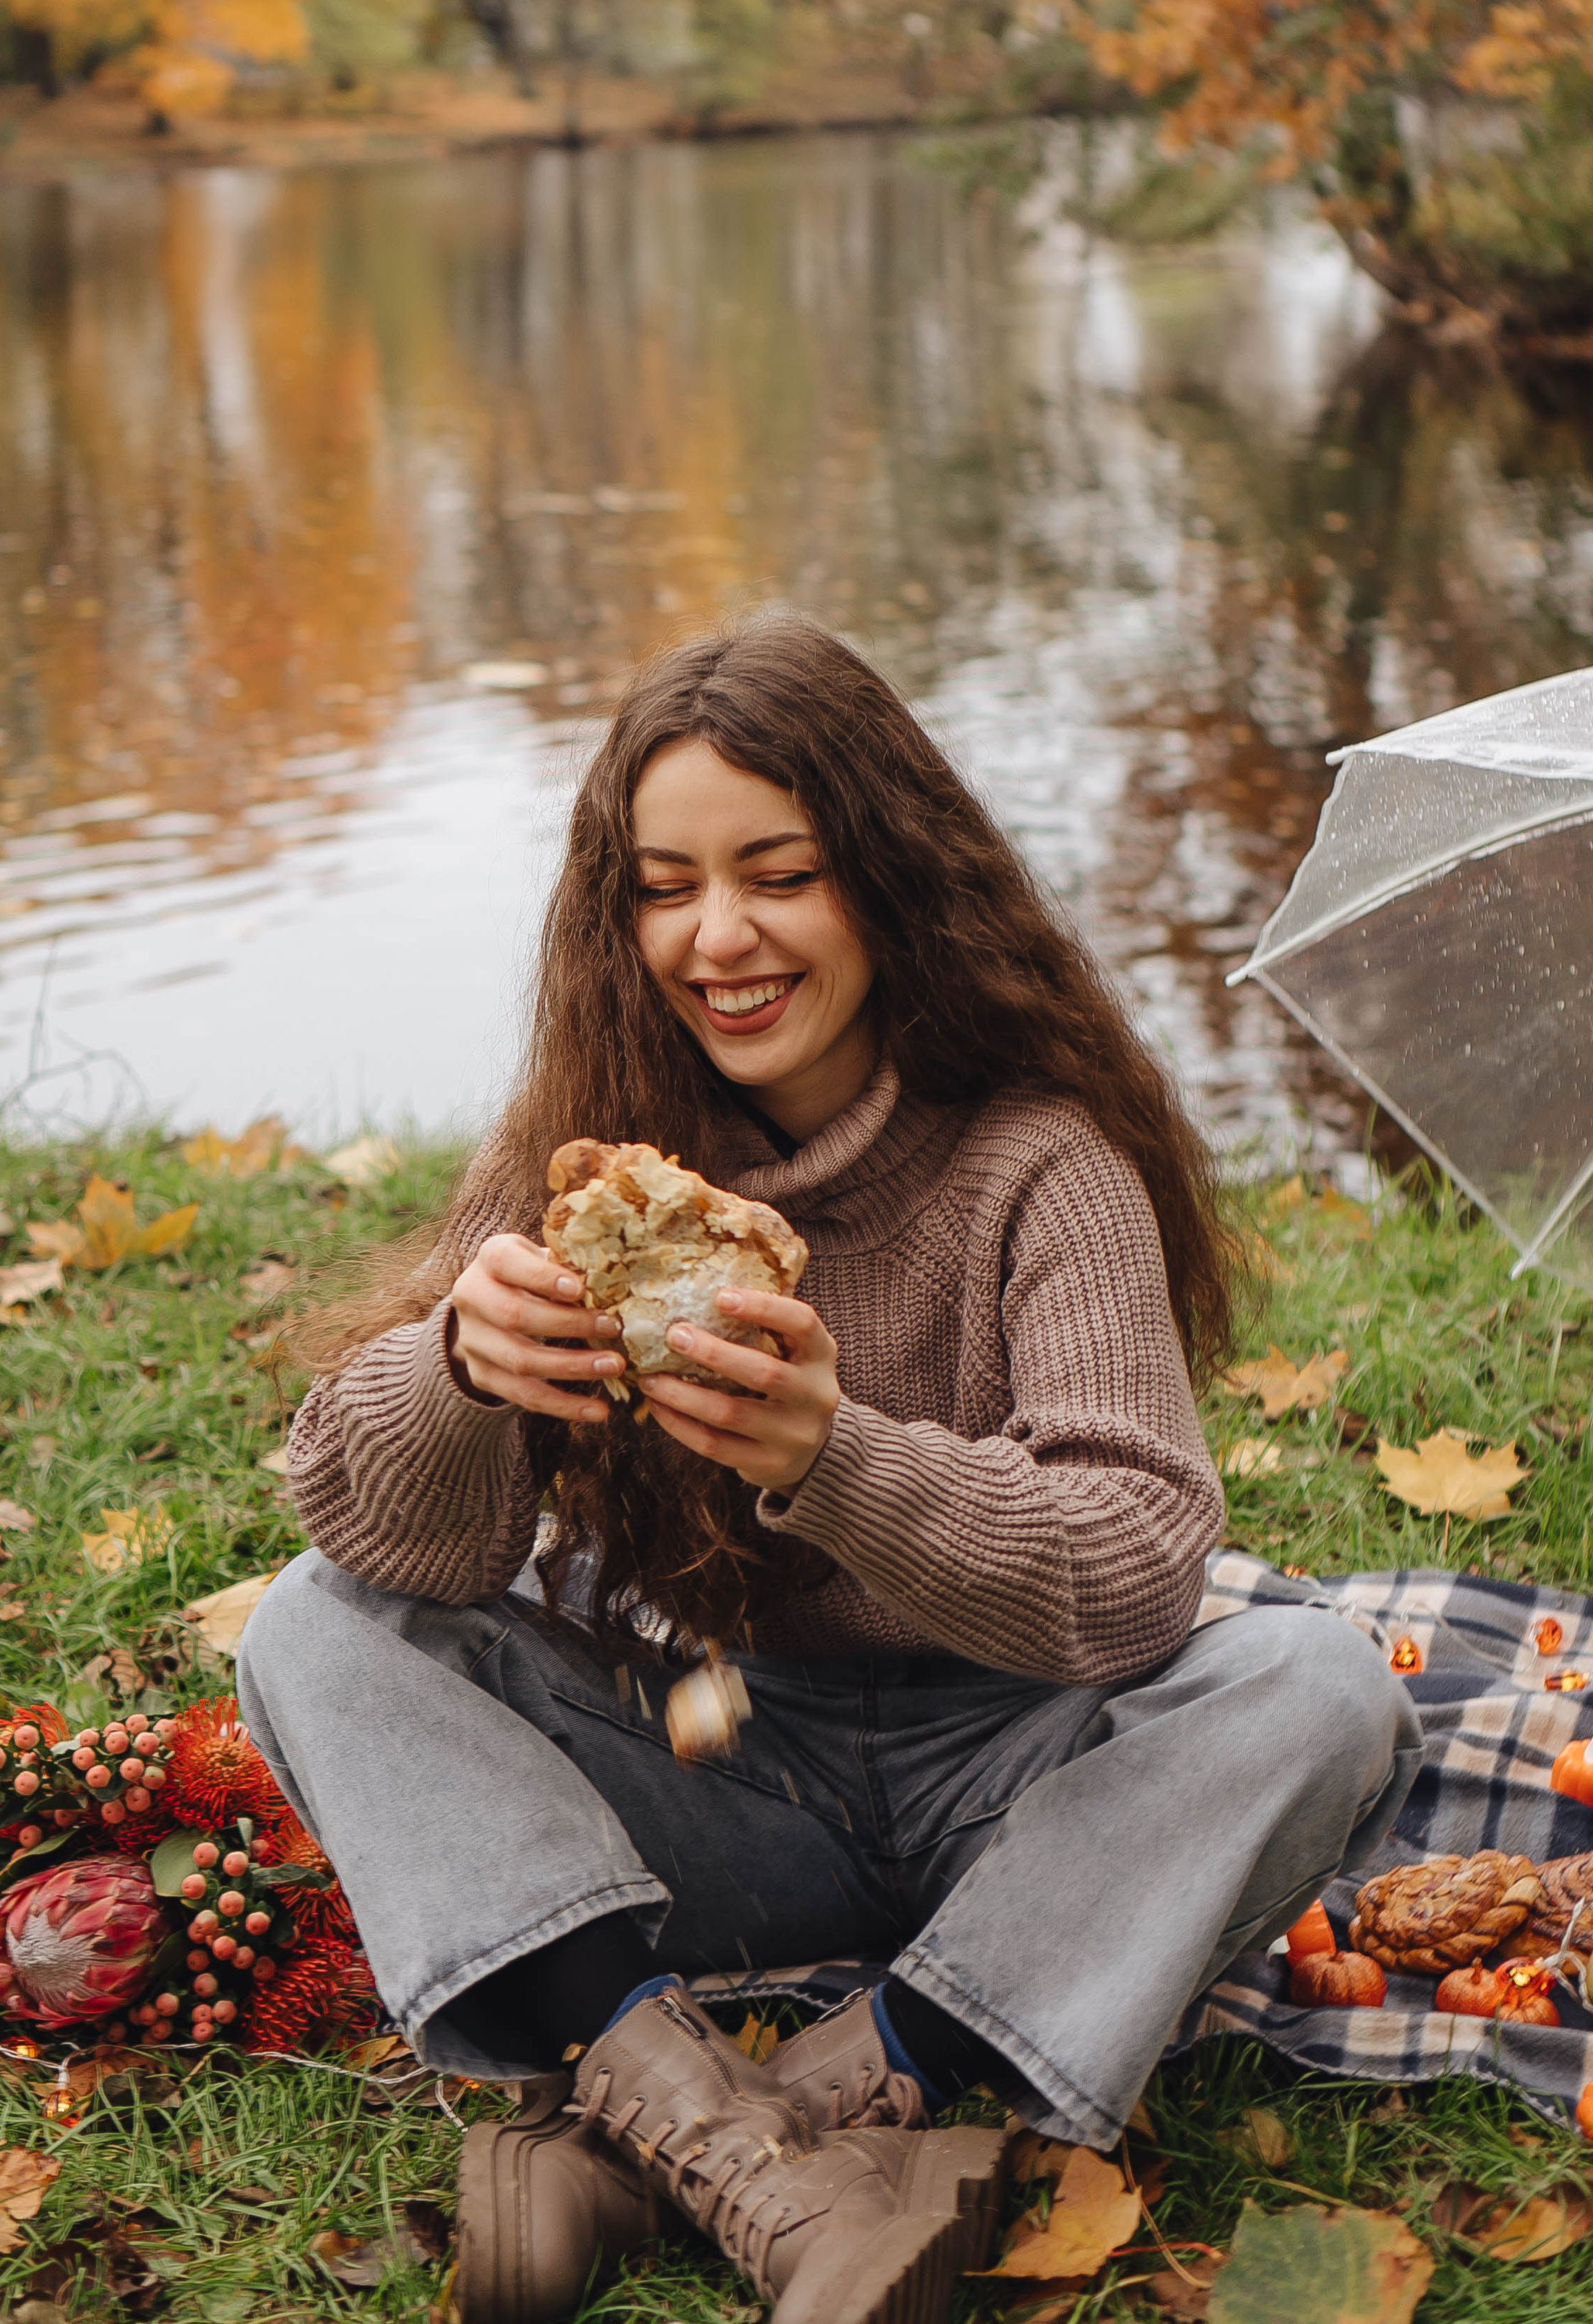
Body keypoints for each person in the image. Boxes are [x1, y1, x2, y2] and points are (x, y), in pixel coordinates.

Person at [239, 614, 1420, 2324]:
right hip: (715, 1764)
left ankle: (818, 2094)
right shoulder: (585, 1142)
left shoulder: (1040, 1164)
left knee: (1315, 1685)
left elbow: (1138, 1565)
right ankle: (702, 2108)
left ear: (884, 876)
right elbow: (375, 1536)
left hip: (1018, 1783)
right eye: (663, 885)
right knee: (308, 1626)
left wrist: (837, 1455)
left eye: (776, 872)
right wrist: (455, 1377)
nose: (716, 937)